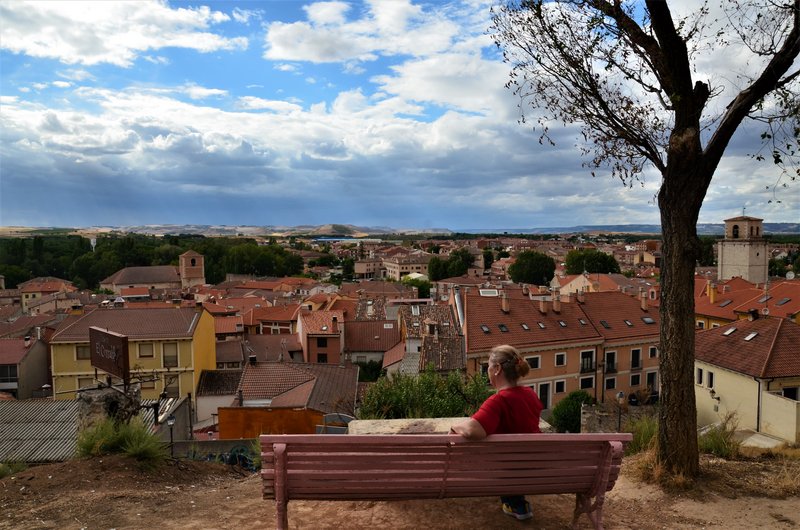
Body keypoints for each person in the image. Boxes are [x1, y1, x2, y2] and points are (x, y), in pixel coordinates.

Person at [450, 344, 543, 521]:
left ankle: (513, 502)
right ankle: (517, 502)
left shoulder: (499, 400)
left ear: (497, 369)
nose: (487, 371)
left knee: (501, 459)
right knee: (514, 456)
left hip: (507, 469)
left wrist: (456, 427)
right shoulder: (530, 394)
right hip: (532, 466)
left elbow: (472, 431)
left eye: (488, 367)